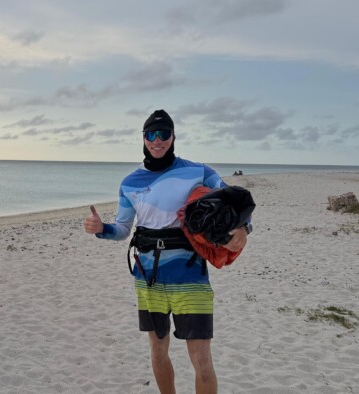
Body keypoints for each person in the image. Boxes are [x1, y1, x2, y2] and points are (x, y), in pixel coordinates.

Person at [84, 109, 249, 394]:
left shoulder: (199, 172)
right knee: (157, 351)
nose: (157, 141)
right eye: (151, 134)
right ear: (144, 138)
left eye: (163, 134)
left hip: (190, 274)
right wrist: (101, 228)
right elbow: (123, 229)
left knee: (201, 359)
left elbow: (235, 204)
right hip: (148, 277)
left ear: (173, 137)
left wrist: (244, 229)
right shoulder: (129, 183)